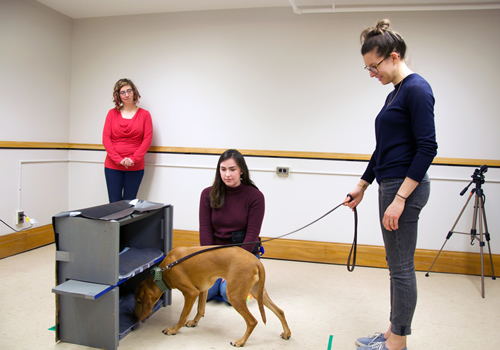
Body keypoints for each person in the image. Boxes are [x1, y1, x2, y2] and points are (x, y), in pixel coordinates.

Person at [344, 20, 438, 350]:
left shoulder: (417, 88)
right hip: (391, 184)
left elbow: (428, 147)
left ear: (393, 56)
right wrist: (362, 184)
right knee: (396, 265)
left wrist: (399, 199)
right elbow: (383, 148)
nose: (372, 74)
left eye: (374, 66)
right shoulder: (396, 93)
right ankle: (391, 331)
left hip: (404, 189)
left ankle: (397, 342)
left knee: (401, 268)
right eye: (368, 68)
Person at [199, 149, 265, 303]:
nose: (227, 174)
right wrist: (213, 263)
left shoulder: (255, 196)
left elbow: (252, 235)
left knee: (229, 296)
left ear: (241, 170)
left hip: (242, 256)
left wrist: (232, 267)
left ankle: (248, 285)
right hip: (216, 256)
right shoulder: (207, 194)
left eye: (232, 169)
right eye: (223, 169)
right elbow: (205, 231)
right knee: (203, 294)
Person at [102, 78, 153, 203]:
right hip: (113, 166)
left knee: (130, 204)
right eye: (123, 92)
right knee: (114, 204)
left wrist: (133, 159)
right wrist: (118, 160)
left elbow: (147, 139)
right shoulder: (111, 114)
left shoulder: (144, 115)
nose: (127, 95)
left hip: (135, 167)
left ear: (134, 92)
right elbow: (106, 139)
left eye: (129, 91)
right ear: (118, 96)